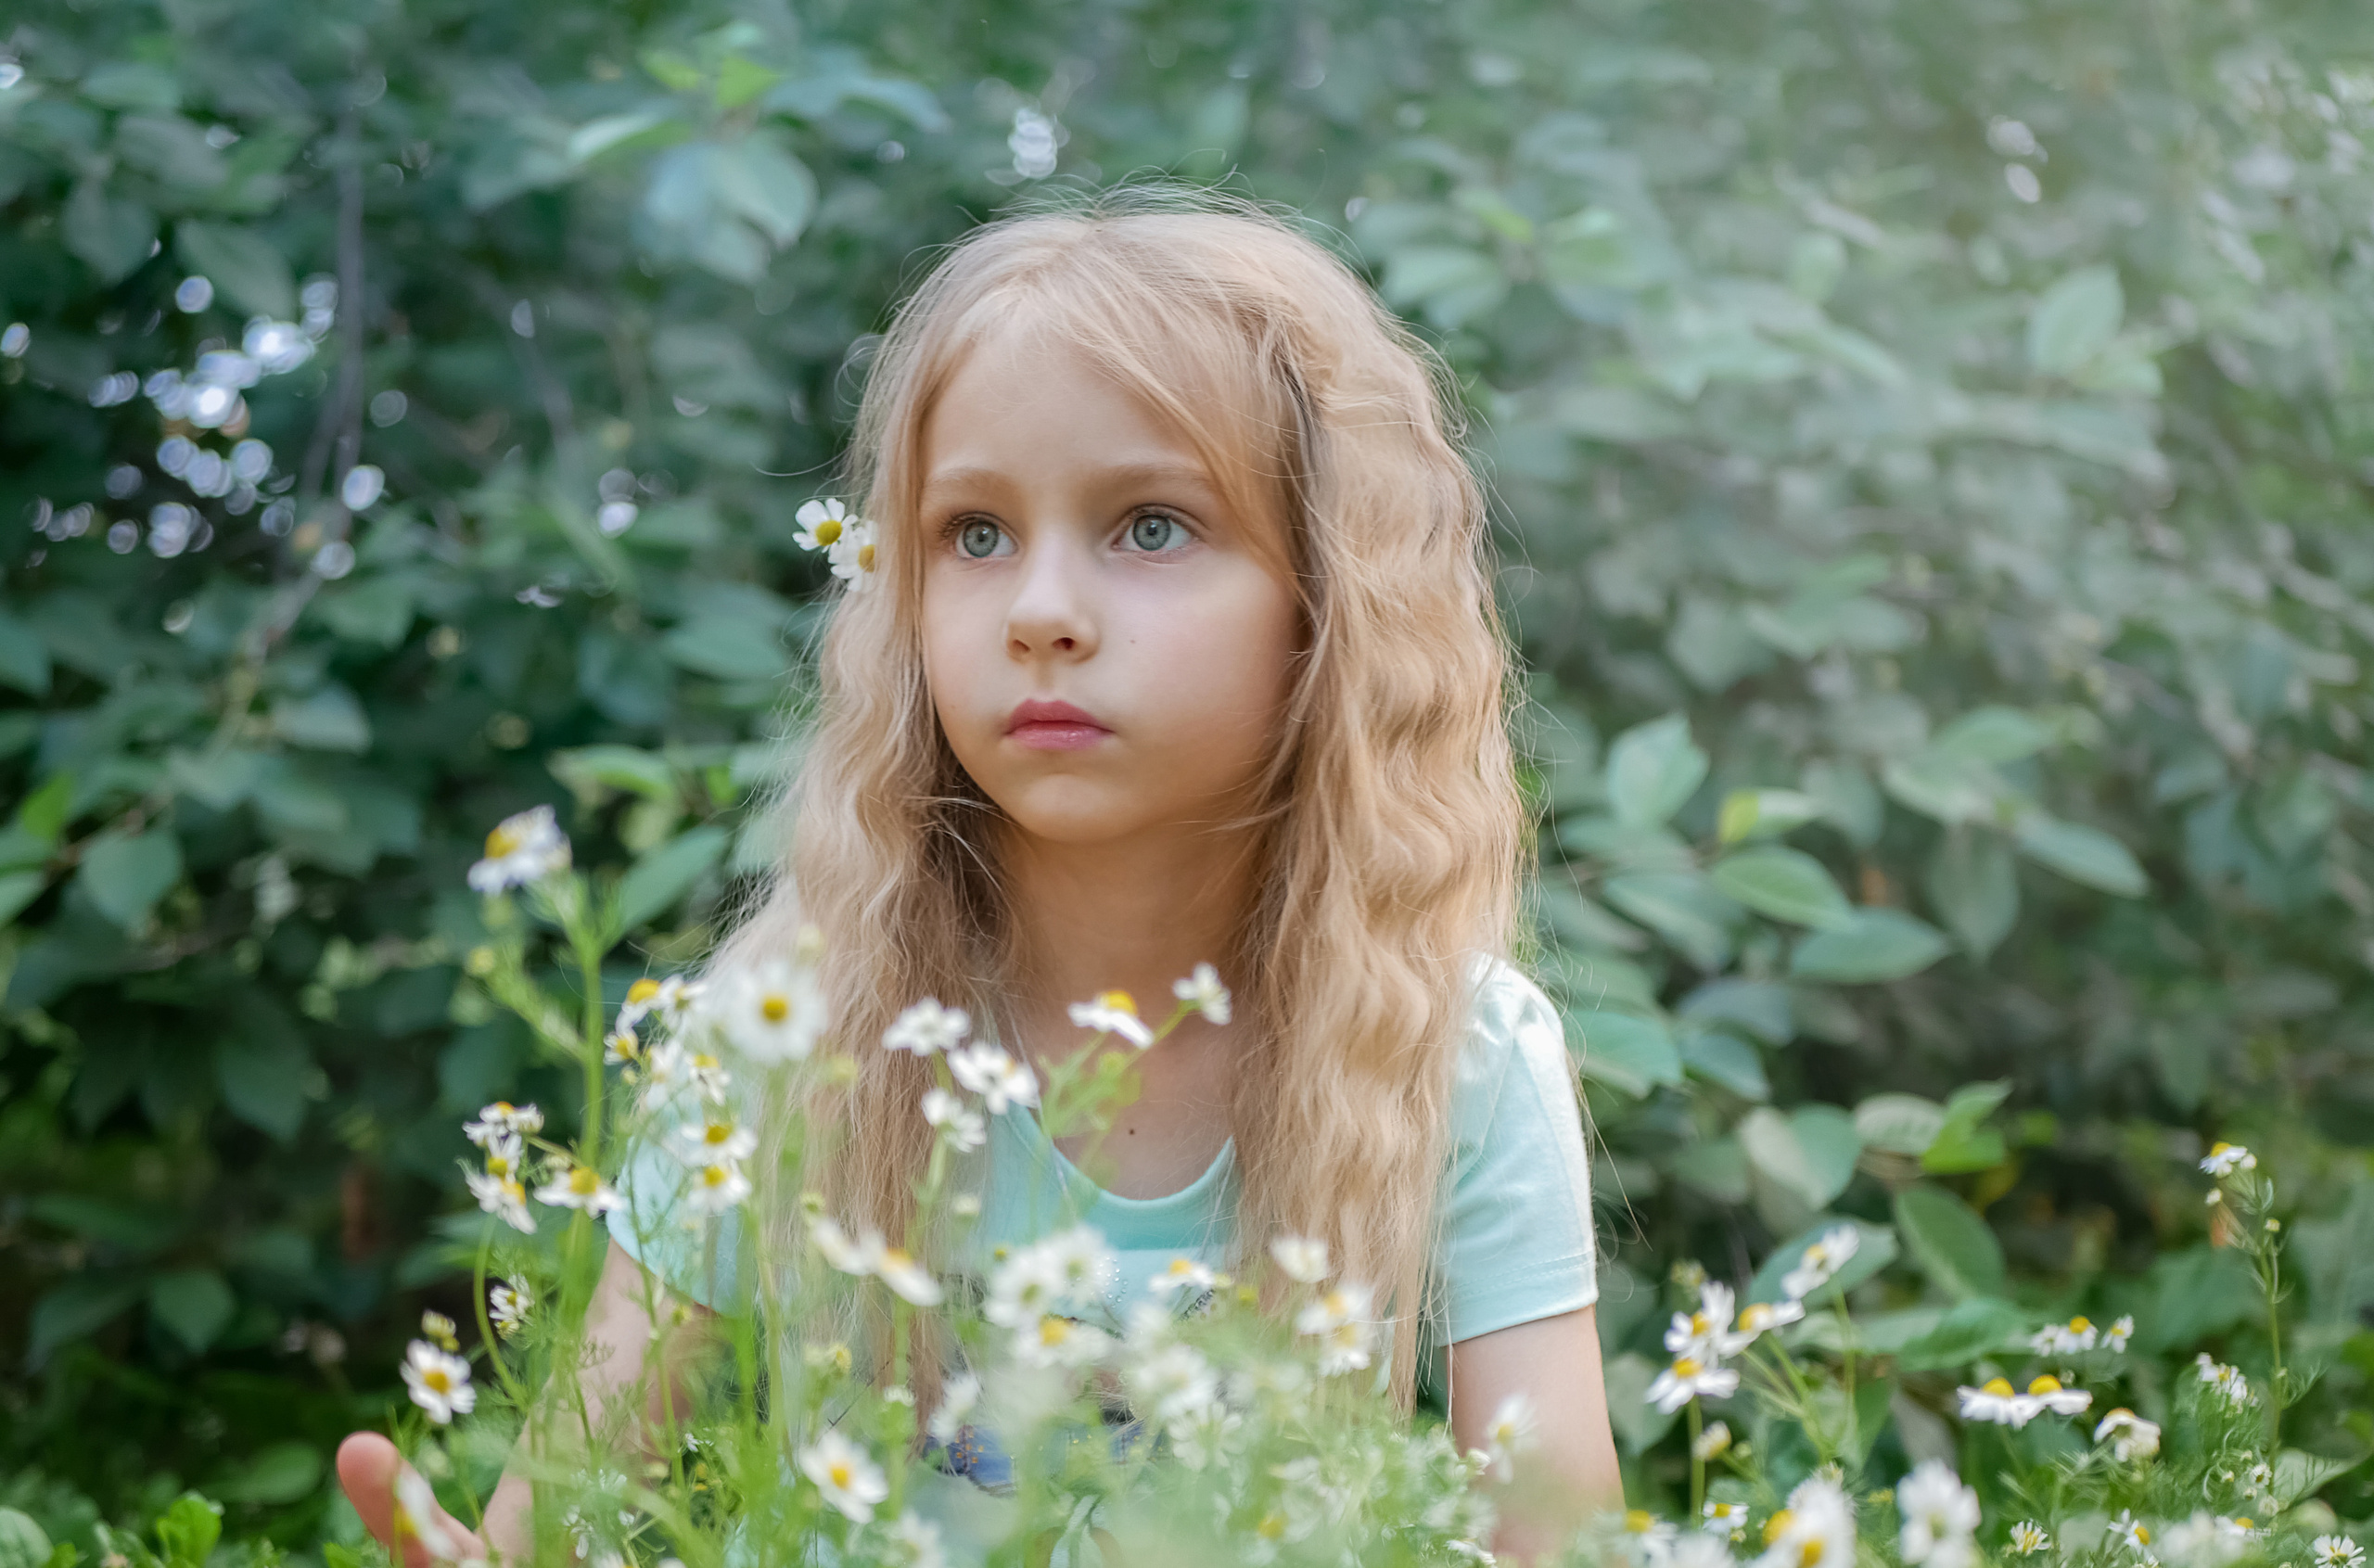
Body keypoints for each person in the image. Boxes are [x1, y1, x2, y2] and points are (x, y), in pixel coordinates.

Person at [338, 187, 1620, 1564]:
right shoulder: (792, 1023)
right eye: (976, 535)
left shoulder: (1454, 1046)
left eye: (1151, 526)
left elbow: (1555, 1537)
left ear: (1331, 602)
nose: (1043, 614)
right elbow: (577, 1498)